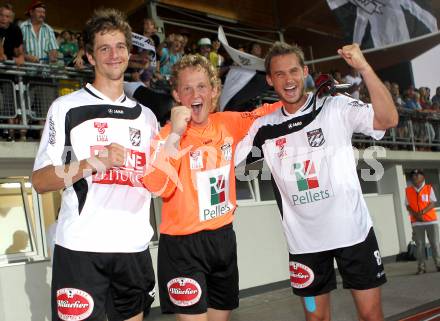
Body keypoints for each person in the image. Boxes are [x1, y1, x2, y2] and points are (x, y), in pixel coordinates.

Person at [236, 42, 398, 321]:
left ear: (305, 72)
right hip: (305, 245)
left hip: (354, 235)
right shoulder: (262, 127)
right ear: (269, 79)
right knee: (316, 319)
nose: (289, 80)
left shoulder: (335, 105)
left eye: (294, 71)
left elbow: (388, 119)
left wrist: (363, 67)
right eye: (280, 74)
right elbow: (222, 157)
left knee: (371, 316)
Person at [32, 9, 157, 321]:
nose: (114, 55)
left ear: (130, 52)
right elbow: (40, 181)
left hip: (134, 248)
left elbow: (157, 180)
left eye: (120, 47)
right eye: (104, 48)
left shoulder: (148, 118)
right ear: (89, 56)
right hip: (81, 248)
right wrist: (90, 163)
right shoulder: (66, 108)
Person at [142, 54, 281, 321]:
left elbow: (266, 112)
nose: (196, 94)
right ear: (177, 95)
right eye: (188, 88)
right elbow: (155, 186)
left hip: (223, 239)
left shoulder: (227, 123)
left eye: (202, 86)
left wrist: (308, 99)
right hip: (182, 246)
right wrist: (175, 135)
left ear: (215, 91)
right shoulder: (164, 137)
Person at [405, 169, 440, 274]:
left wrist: (422, 212)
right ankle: (421, 267)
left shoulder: (429, 188)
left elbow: (433, 203)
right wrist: (416, 215)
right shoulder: (408, 190)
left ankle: (438, 264)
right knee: (419, 245)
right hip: (416, 222)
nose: (415, 177)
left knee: (435, 244)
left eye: (417, 175)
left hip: (430, 221)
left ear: (423, 177)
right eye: (413, 175)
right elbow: (407, 205)